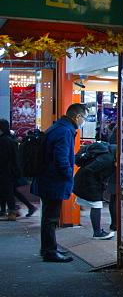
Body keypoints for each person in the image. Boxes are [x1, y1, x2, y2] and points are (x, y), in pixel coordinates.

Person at [32, 103, 89, 262]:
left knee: (48, 217)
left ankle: (49, 249)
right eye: (84, 117)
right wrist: (69, 178)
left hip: (47, 179)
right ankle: (50, 252)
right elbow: (62, 159)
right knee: (50, 218)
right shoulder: (64, 131)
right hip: (53, 181)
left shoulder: (57, 127)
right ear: (77, 117)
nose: (84, 121)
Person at [72, 139, 118, 239]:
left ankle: (98, 232)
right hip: (87, 183)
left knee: (96, 204)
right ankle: (97, 233)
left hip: (84, 181)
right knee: (96, 204)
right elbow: (90, 170)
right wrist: (94, 185)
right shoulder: (108, 158)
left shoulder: (108, 152)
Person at [0, 119, 20, 220]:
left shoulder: (4, 141)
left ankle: (11, 211)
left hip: (5, 171)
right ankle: (10, 211)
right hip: (11, 170)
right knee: (8, 191)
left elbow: (3, 158)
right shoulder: (11, 139)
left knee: (7, 192)